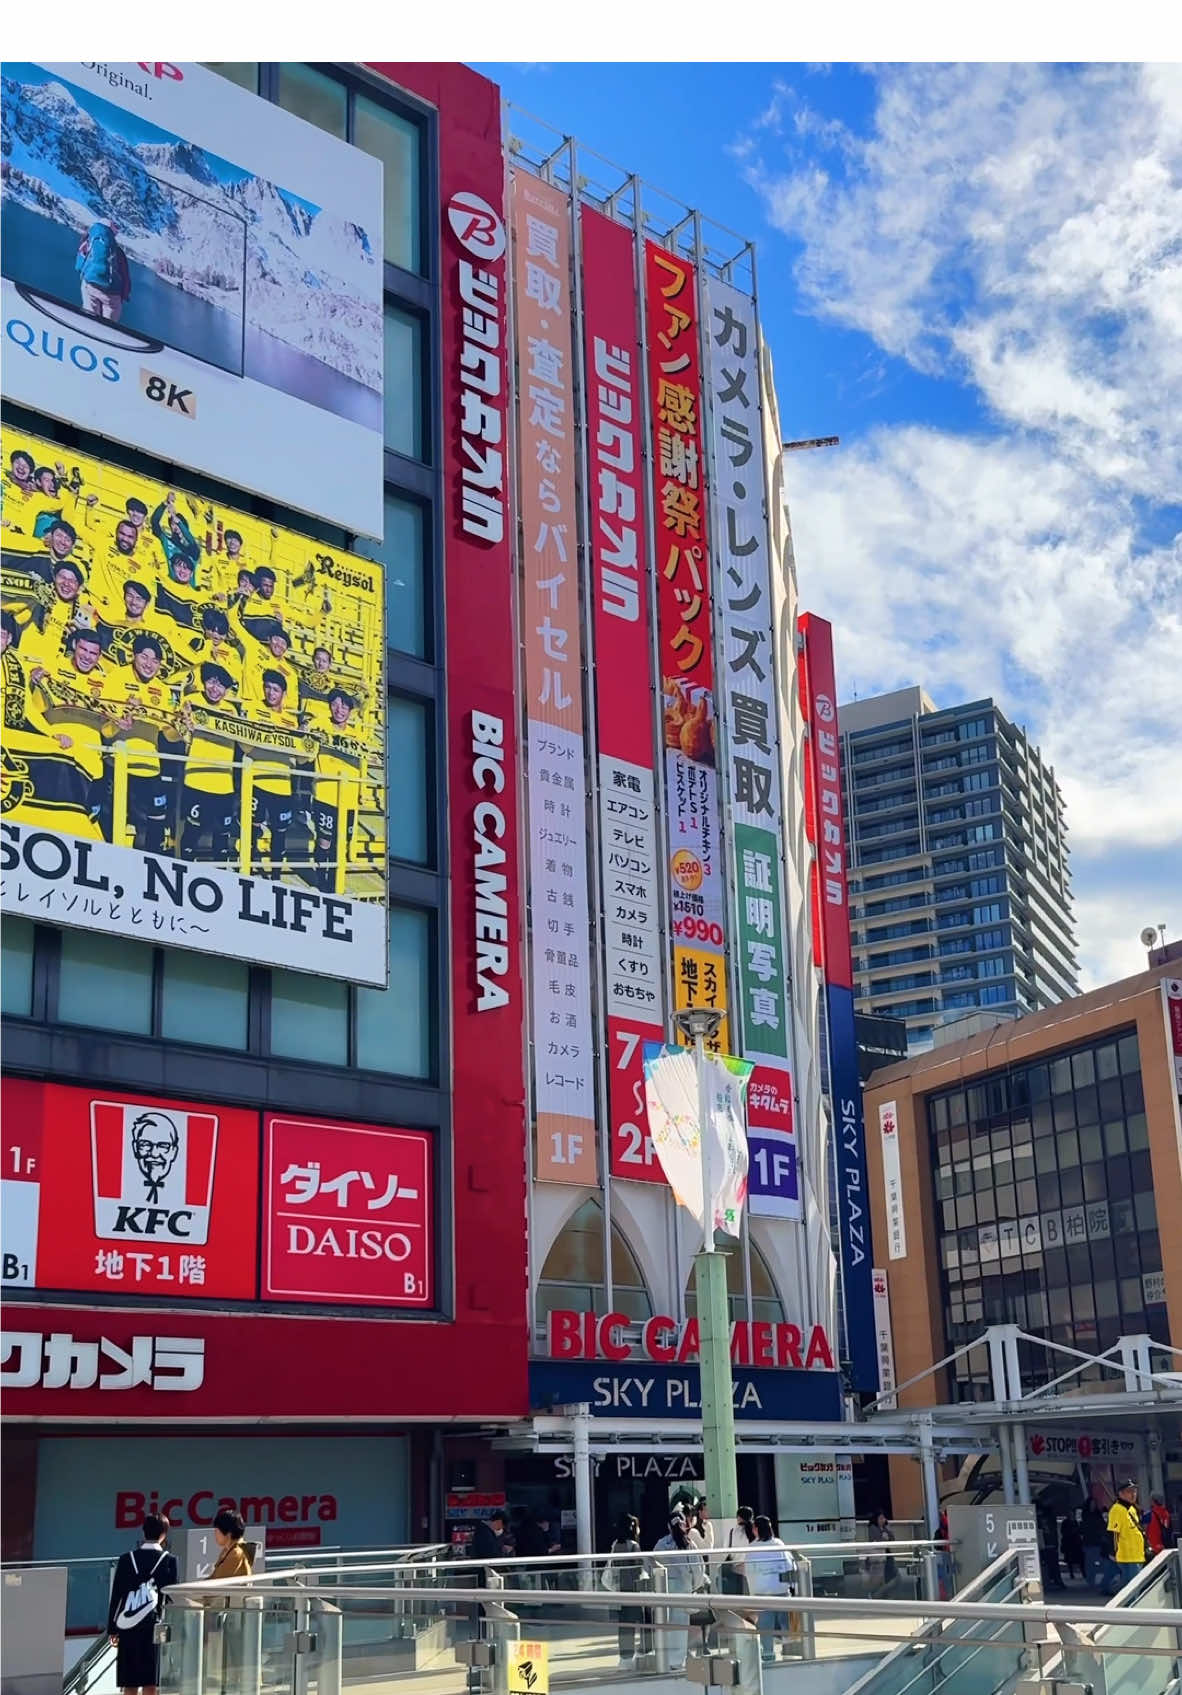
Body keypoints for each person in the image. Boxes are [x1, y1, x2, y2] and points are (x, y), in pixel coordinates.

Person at [108, 1511, 177, 1695]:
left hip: (127, 1624)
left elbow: (117, 1596)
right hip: (153, 1626)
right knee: (150, 1680)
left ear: (143, 1532)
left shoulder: (125, 1559)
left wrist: (112, 1629)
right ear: (164, 1534)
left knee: (129, 1680)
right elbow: (170, 1596)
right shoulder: (169, 1561)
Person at [653, 1511, 706, 1673]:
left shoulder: (661, 1544)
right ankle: (677, 1661)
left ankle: (663, 1659)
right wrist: (694, 1587)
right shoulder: (689, 1543)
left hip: (665, 1590)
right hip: (684, 1590)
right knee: (681, 1626)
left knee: (664, 1624)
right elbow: (699, 1569)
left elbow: (651, 1564)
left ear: (668, 1526)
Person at [747, 1515, 794, 1665]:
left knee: (765, 1627)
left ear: (756, 1529)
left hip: (762, 1594)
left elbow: (749, 1572)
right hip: (781, 1591)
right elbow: (789, 1565)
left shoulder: (752, 1548)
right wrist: (792, 1586)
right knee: (786, 1624)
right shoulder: (779, 1544)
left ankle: (768, 1655)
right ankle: (789, 1653)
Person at [608, 1514, 648, 1667]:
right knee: (640, 1623)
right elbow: (639, 1569)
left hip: (619, 1591)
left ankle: (624, 1657)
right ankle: (638, 1654)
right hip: (632, 1591)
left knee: (624, 1625)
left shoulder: (615, 1544)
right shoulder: (633, 1545)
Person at [77, 221, 132, 322]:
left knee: (89, 320)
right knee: (107, 327)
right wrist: (123, 297)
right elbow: (126, 279)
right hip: (112, 295)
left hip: (90, 286)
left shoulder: (89, 243)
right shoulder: (118, 252)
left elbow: (79, 266)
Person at [1107, 1481, 1147, 1587]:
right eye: (1129, 1491)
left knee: (1129, 1586)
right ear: (1120, 1494)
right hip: (1127, 1557)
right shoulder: (1117, 1509)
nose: (1133, 1494)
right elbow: (1113, 1533)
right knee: (1134, 1587)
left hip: (1137, 1555)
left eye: (1135, 1491)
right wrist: (1113, 1552)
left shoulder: (1132, 1508)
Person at [720, 1505, 755, 1595]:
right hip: (753, 1570)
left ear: (738, 1517)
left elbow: (725, 1551)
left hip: (736, 1570)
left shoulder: (732, 1532)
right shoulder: (754, 1532)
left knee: (739, 1600)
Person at [208, 1509, 252, 1581]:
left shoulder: (236, 1553)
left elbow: (217, 1581)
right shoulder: (228, 1550)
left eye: (217, 1531)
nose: (215, 1534)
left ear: (228, 1534)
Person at [868, 1511, 898, 1594]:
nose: (883, 1520)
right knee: (878, 1577)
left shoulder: (885, 1528)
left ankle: (883, 1593)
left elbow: (892, 1539)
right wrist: (884, 1537)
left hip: (887, 1554)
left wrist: (888, 1530)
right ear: (876, 1519)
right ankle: (875, 1594)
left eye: (884, 1518)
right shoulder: (872, 1527)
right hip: (878, 1556)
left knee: (892, 1575)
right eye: (881, 1518)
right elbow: (878, 1540)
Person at [1060, 1510, 1086, 1582]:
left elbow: (1080, 1531)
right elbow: (1063, 1532)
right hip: (1069, 1542)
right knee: (1070, 1560)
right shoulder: (1065, 1522)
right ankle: (1071, 1573)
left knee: (1080, 1559)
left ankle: (1083, 1572)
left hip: (1076, 1543)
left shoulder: (1076, 1522)